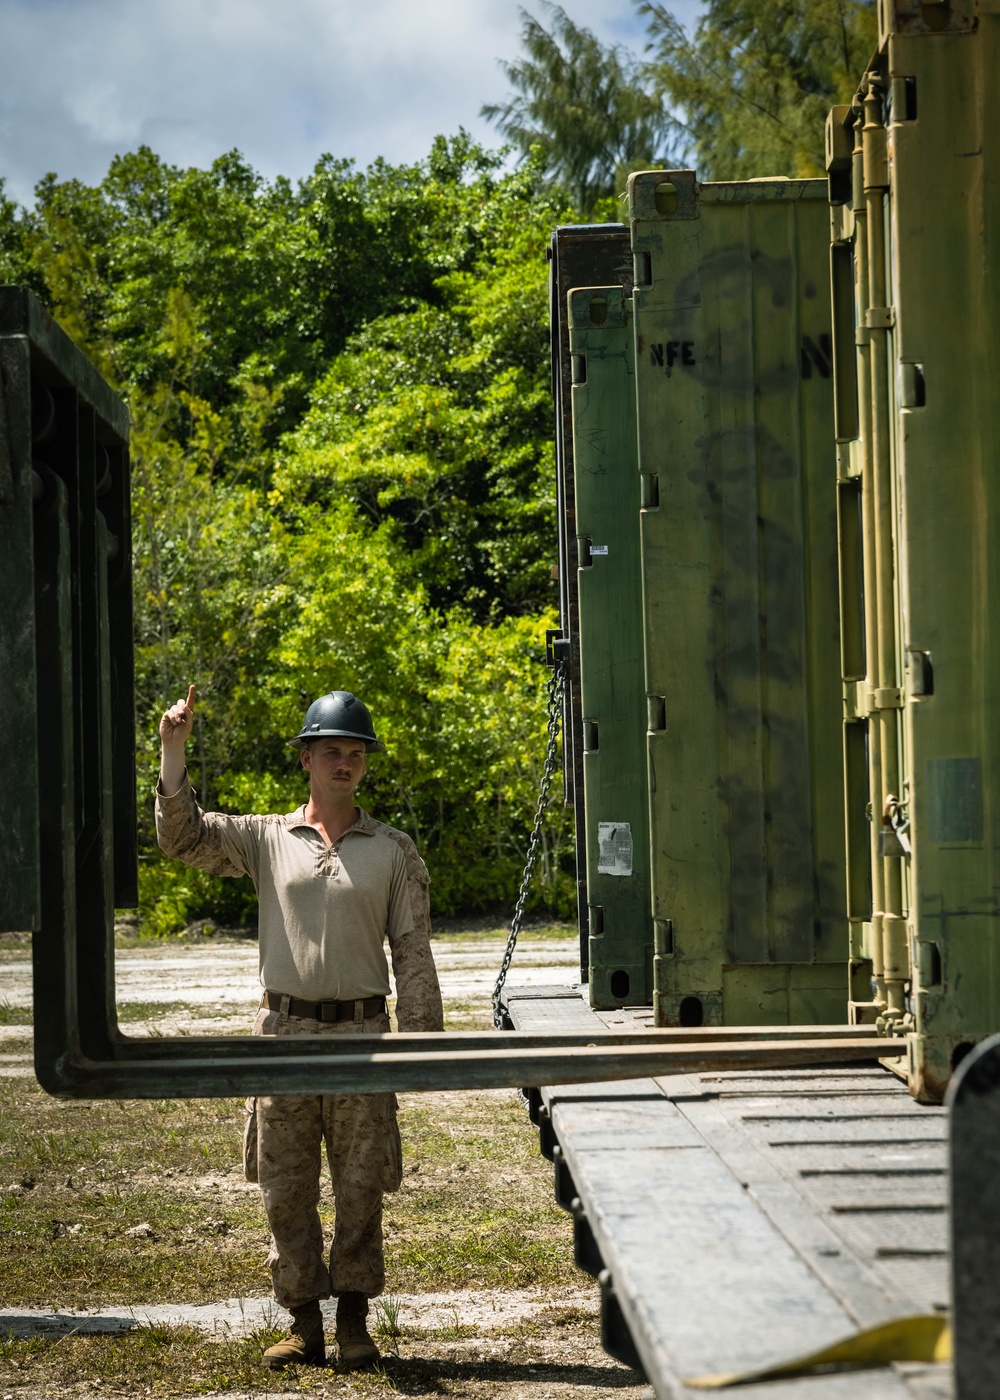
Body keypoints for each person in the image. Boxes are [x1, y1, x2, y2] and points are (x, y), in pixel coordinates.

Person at [156, 686, 444, 1370]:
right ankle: (303, 1323)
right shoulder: (265, 838)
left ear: (364, 764)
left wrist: (425, 1043)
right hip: (284, 1034)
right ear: (307, 759)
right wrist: (173, 750)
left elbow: (412, 946)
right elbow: (183, 838)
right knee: (285, 1187)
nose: (344, 762)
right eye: (332, 751)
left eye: (356, 752)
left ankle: (353, 1322)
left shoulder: (392, 849)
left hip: (364, 1039)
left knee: (361, 1184)